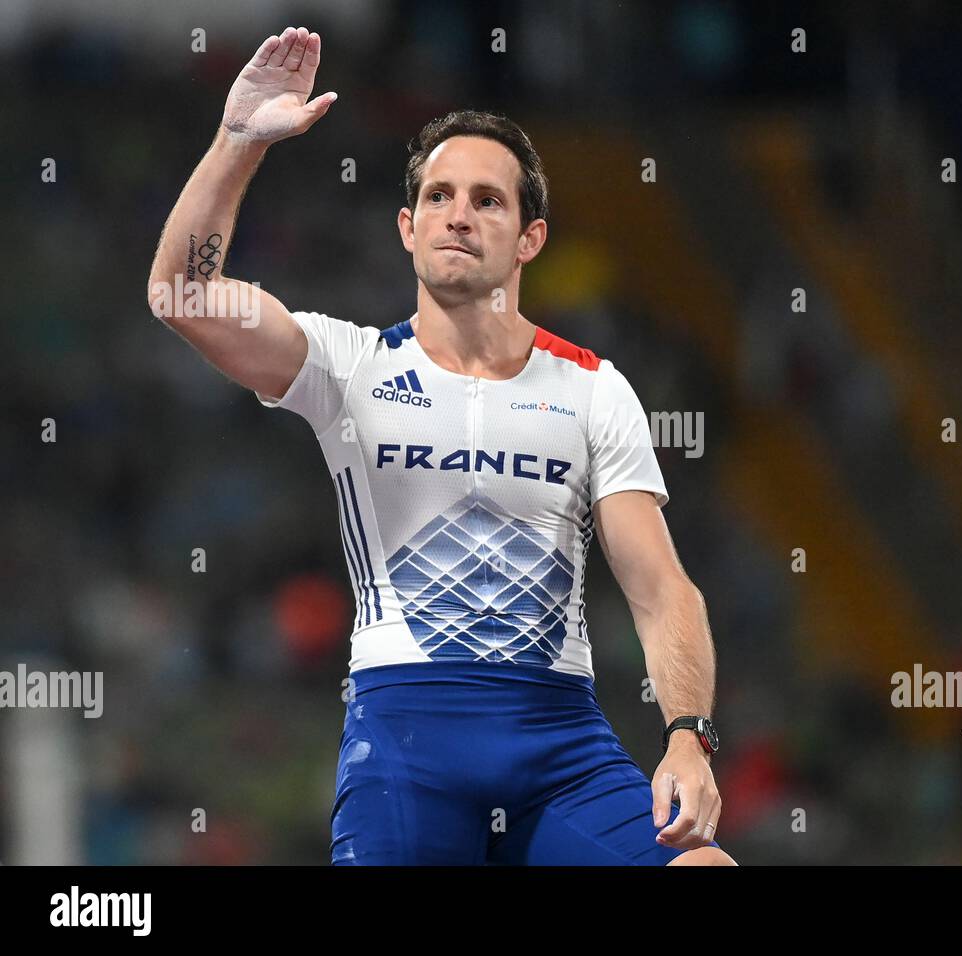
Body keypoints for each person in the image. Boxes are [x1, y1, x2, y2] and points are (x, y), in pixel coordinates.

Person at [147, 26, 735, 865]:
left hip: (560, 746)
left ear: (529, 238)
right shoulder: (346, 365)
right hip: (407, 745)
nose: (459, 214)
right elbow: (179, 293)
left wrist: (688, 739)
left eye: (488, 200)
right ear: (407, 228)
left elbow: (662, 590)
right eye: (439, 197)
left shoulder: (594, 389)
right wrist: (236, 143)